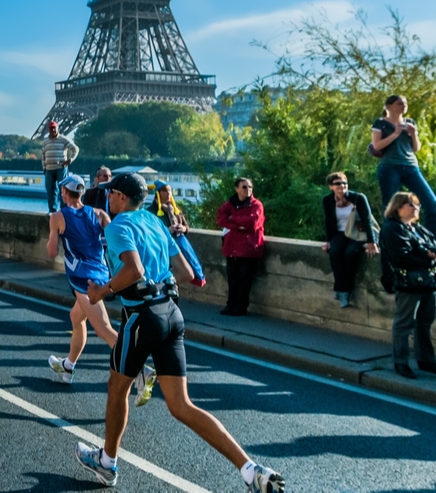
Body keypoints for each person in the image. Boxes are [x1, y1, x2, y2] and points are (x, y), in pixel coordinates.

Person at [74, 173, 285, 492]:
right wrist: (156, 289)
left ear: (119, 196)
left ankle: (107, 463)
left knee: (117, 388)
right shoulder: (154, 221)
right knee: (181, 405)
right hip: (171, 315)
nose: (107, 199)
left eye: (109, 193)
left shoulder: (119, 226)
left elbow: (133, 270)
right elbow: (185, 272)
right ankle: (250, 469)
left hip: (141, 317)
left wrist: (100, 292)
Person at [44, 176, 126, 393]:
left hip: (82, 281)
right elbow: (116, 241)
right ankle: (68, 366)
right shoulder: (99, 214)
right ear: (81, 193)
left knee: (104, 329)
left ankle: (141, 371)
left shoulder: (58, 217)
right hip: (101, 274)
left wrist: (52, 236)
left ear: (63, 192)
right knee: (75, 317)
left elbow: (52, 253)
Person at [380, 192, 436, 379]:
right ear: (397, 208)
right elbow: (402, 257)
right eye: (411, 205)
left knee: (425, 322)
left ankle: (426, 360)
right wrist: (431, 259)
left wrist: (432, 255)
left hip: (429, 282)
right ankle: (401, 362)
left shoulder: (417, 228)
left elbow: (434, 246)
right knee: (404, 323)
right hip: (409, 283)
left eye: (417, 205)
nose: (416, 208)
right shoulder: (392, 228)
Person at [372, 95, 436, 238]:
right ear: (389, 106)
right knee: (390, 207)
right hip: (389, 167)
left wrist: (414, 134)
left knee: (433, 205)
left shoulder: (410, 122)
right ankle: (392, 241)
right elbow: (377, 145)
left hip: (410, 166)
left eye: (405, 103)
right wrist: (396, 133)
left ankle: (434, 244)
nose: (404, 106)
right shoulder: (380, 123)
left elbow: (415, 148)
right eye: (400, 103)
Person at [321, 172, 379, 308]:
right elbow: (329, 222)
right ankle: (343, 289)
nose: (342, 186)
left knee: (350, 254)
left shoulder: (358, 198)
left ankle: (342, 291)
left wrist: (372, 242)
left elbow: (368, 220)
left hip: (357, 234)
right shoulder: (327, 200)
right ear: (331, 186)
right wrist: (328, 241)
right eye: (338, 183)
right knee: (334, 253)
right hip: (340, 234)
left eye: (344, 183)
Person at [216, 178, 264, 316]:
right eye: (244, 187)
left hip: (249, 249)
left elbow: (253, 222)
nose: (248, 190)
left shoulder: (256, 205)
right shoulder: (229, 204)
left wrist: (233, 219)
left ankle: (241, 307)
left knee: (245, 280)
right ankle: (230, 305)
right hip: (231, 248)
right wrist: (239, 225)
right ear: (236, 189)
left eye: (250, 187)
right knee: (232, 279)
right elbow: (221, 219)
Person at [149, 181, 206, 287]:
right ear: (158, 193)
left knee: (178, 280)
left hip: (177, 248)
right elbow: (150, 232)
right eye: (165, 191)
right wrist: (167, 230)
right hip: (161, 250)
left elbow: (186, 226)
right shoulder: (151, 211)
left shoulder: (176, 209)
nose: (168, 193)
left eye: (170, 190)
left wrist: (183, 228)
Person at [41, 120, 79, 214]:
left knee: (64, 190)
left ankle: (64, 210)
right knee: (50, 191)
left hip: (60, 169)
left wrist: (69, 160)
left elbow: (75, 149)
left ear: (57, 128)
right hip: (49, 169)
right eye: (51, 128)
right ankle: (52, 211)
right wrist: (44, 167)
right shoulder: (45, 141)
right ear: (48, 129)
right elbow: (43, 155)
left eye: (54, 128)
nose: (53, 130)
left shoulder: (63, 139)